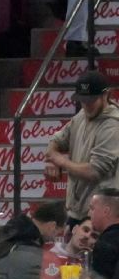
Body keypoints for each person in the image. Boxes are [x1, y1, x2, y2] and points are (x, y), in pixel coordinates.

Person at [45, 71, 119, 227]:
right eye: (82, 100)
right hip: (76, 209)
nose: (86, 105)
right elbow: (56, 141)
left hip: (102, 214)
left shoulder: (112, 125)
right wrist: (52, 160)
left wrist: (62, 162)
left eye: (91, 100)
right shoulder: (82, 115)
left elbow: (94, 171)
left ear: (106, 95)